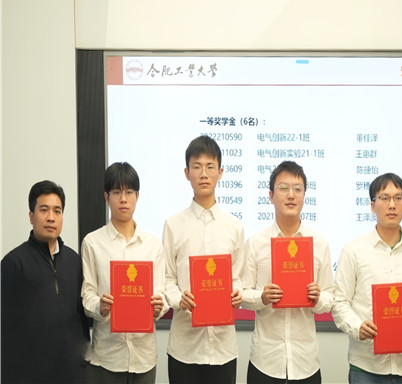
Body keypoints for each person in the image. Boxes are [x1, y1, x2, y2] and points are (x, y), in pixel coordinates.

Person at [332, 173, 402, 384]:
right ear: (373, 206)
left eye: (398, 198)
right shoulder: (353, 250)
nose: (392, 205)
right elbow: (339, 302)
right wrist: (358, 326)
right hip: (366, 365)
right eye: (384, 198)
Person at [241, 160, 334, 383]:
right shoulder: (256, 243)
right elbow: (241, 294)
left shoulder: (319, 243)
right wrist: (262, 297)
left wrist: (317, 298)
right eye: (283, 188)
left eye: (297, 189)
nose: (291, 195)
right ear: (271, 196)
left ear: (304, 196)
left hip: (305, 362)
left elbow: (330, 298)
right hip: (265, 361)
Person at [163, 135, 245, 384]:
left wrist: (238, 293)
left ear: (220, 172)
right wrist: (179, 299)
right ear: (187, 173)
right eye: (197, 167)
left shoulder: (234, 227)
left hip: (223, 347)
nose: (204, 174)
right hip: (184, 348)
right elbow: (167, 279)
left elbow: (238, 278)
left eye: (210, 167)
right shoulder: (173, 225)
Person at [81, 162, 168, 383]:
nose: (123, 199)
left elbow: (162, 293)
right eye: (116, 192)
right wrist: (99, 305)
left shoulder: (153, 245)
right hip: (107, 356)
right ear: (106, 197)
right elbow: (87, 294)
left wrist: (160, 305)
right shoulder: (92, 243)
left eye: (129, 192)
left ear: (137, 196)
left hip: (143, 357)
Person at [1, 180, 89, 383]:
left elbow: (81, 319)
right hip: (29, 374)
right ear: (31, 216)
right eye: (44, 210)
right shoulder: (13, 263)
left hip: (71, 373)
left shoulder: (74, 261)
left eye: (57, 211)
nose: (51, 217)